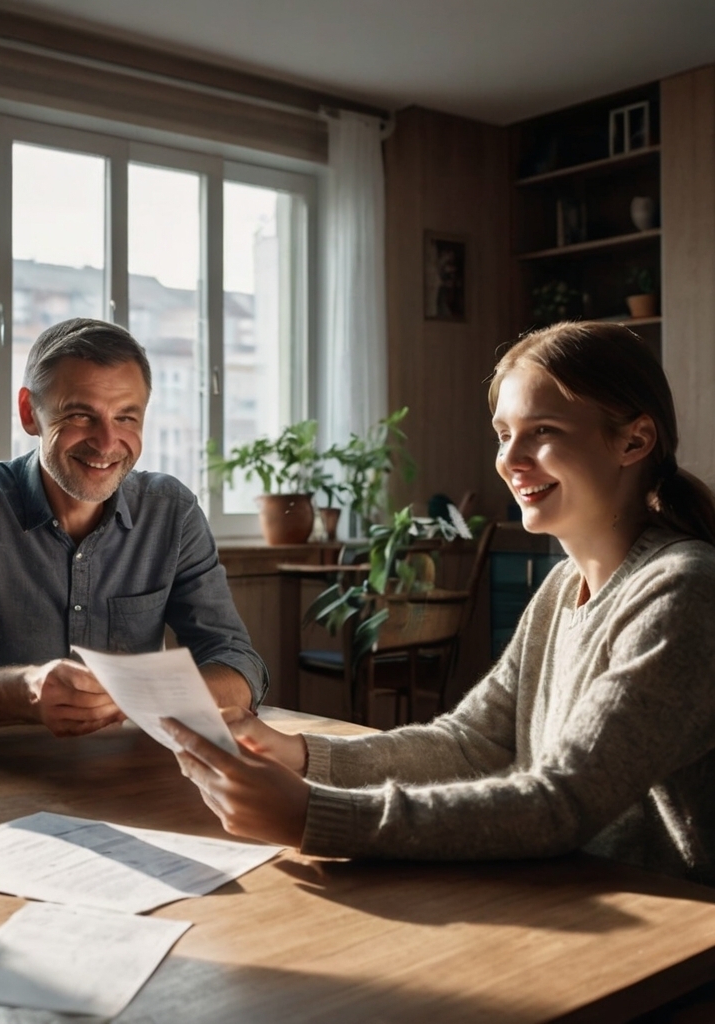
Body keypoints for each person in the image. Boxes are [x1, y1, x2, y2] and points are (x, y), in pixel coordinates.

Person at [166, 320, 715, 885]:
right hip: (571, 895)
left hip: (674, 945)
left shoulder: (682, 590)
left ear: (634, 440)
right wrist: (301, 756)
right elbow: (472, 744)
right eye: (504, 433)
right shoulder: (559, 587)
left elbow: (559, 802)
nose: (510, 459)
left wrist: (312, 814)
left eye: (542, 430)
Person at [0, 317, 267, 740]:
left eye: (126, 418)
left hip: (123, 777)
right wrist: (25, 692)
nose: (106, 442)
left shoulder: (171, 512)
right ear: (30, 413)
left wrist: (136, 696)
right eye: (81, 415)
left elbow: (238, 663)